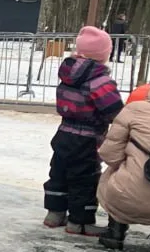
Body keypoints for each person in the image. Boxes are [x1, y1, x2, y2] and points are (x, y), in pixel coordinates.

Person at [42, 26, 123, 236]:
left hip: (64, 133)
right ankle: (80, 222)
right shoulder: (100, 81)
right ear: (103, 54)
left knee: (59, 172)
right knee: (84, 178)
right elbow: (113, 110)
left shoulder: (68, 74)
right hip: (87, 138)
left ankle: (55, 213)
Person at [98, 84, 150, 252]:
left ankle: (115, 232)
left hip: (128, 195)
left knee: (114, 175)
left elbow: (109, 154)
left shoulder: (134, 109)